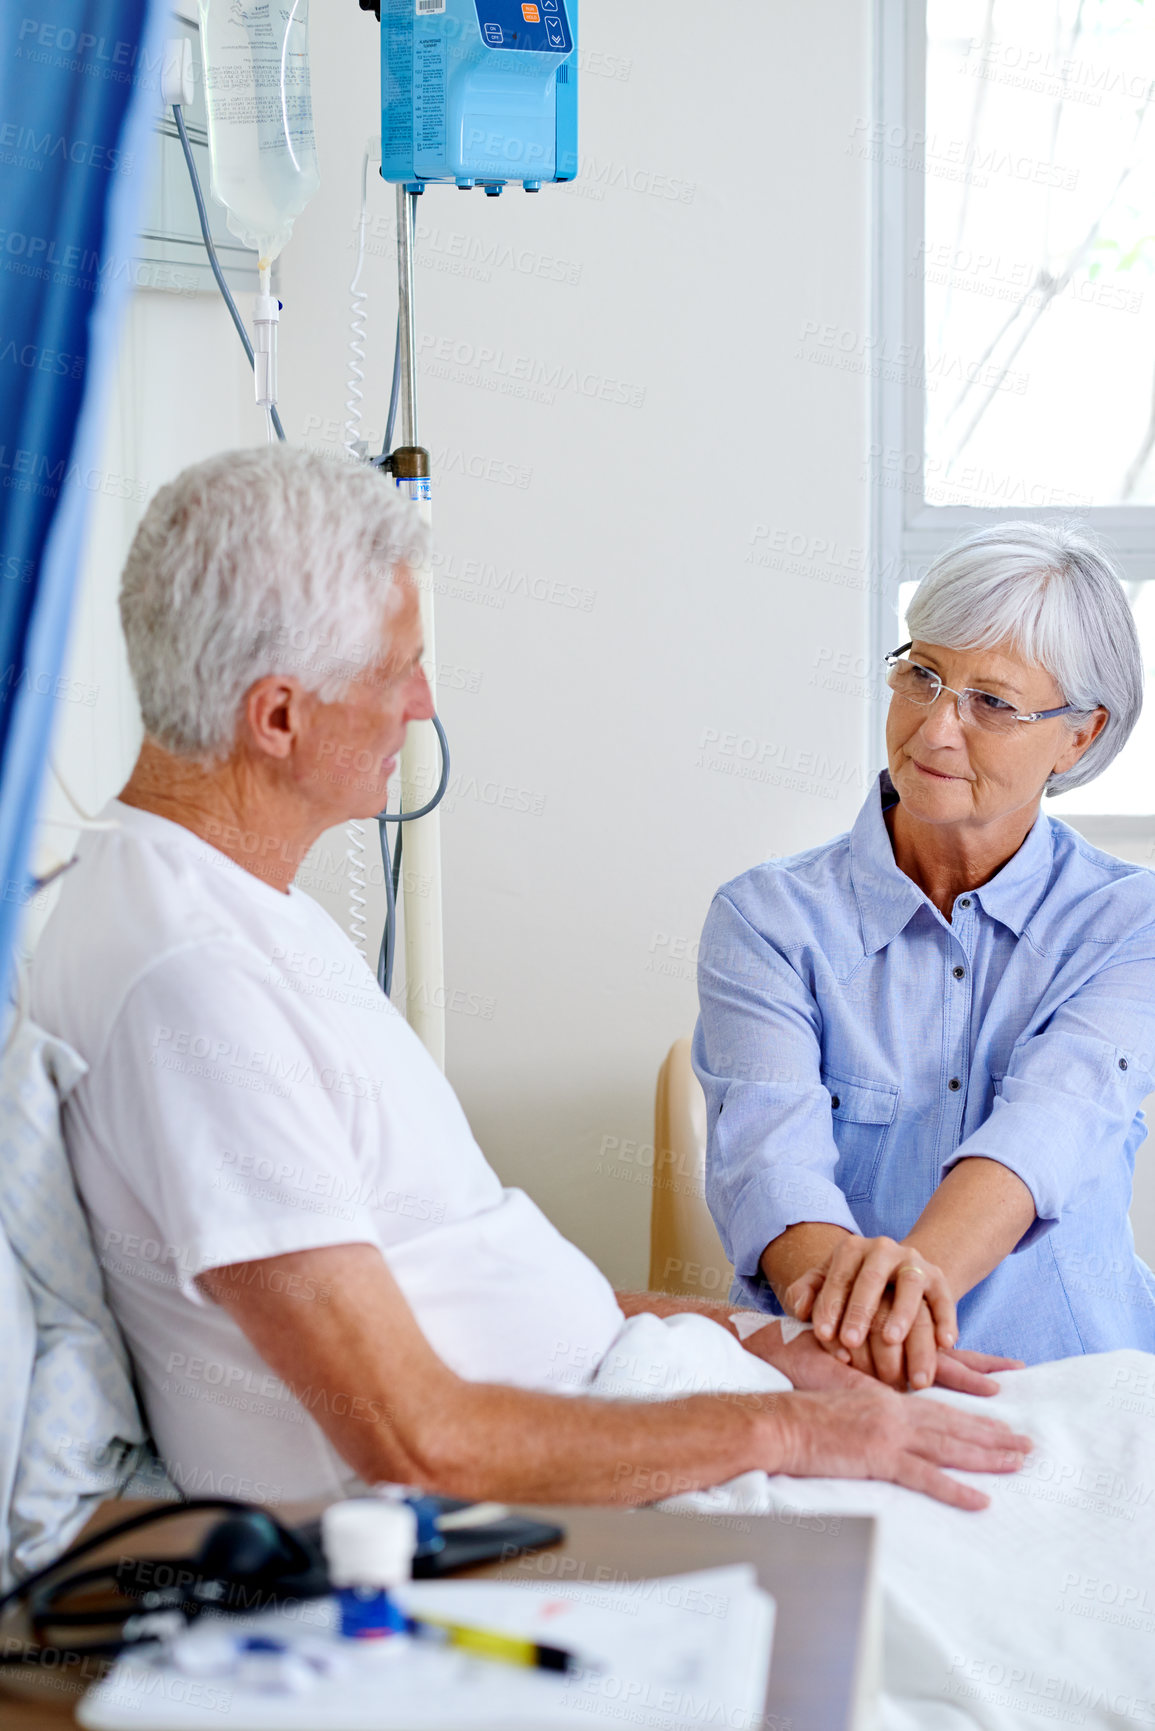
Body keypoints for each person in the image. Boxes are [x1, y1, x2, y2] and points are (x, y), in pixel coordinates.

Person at [28, 445, 1028, 1516]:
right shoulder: (197, 991)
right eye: (397, 668)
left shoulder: (232, 909)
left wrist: (769, 1344)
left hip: (622, 1404)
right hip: (525, 1508)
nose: (420, 704)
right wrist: (797, 1429)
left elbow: (461, 1275)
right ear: (279, 718)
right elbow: (419, 1441)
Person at [695, 522, 1155, 1390]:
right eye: (923, 675)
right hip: (834, 1374)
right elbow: (772, 1168)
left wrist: (901, 1301)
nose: (935, 729)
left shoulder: (1132, 923)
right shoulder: (766, 919)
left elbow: (1044, 1132)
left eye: (992, 701)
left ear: (1079, 736)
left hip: (1075, 1383)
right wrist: (874, 1339)